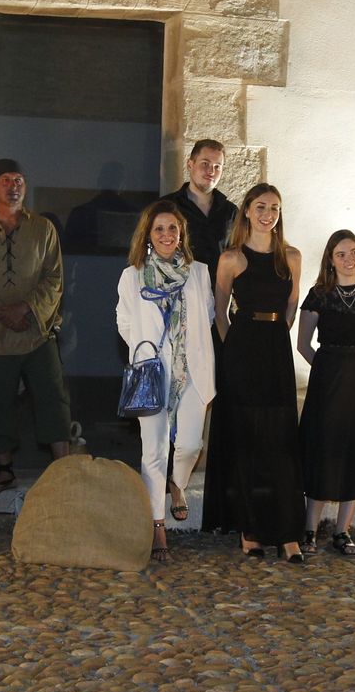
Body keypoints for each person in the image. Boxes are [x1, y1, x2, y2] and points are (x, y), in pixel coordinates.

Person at [200, 183, 307, 563]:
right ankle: (251, 529)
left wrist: (275, 335)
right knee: (246, 441)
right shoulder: (231, 258)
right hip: (242, 350)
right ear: (246, 210)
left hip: (276, 349)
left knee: (279, 440)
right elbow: (219, 311)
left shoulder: (291, 257)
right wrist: (235, 348)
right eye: (261, 206)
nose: (268, 213)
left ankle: (288, 532)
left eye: (275, 207)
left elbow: (292, 306)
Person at [0, 159, 71, 499]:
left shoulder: (43, 229)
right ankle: (4, 472)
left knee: (53, 397)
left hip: (37, 331)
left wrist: (27, 309)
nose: (14, 185)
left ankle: (64, 473)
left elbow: (55, 278)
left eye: (19, 179)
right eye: (6, 180)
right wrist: (2, 313)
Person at [115, 200, 215, 562]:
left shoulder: (199, 273)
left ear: (181, 233)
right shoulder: (133, 275)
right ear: (148, 235)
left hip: (192, 371)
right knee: (153, 451)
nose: (166, 235)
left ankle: (178, 483)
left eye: (173, 228)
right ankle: (157, 524)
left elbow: (208, 315)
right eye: (159, 229)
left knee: (188, 445)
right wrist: (147, 354)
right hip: (152, 373)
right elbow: (124, 320)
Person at [296, 230, 355, 556]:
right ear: (330, 259)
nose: (349, 259)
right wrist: (325, 367)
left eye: (354, 252)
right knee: (325, 451)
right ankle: (308, 530)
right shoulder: (319, 294)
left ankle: (342, 531)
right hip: (329, 383)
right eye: (341, 254)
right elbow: (303, 344)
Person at [162, 139, 238, 284]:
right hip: (176, 297)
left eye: (217, 166)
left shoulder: (231, 212)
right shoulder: (166, 207)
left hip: (219, 299)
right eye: (205, 164)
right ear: (190, 164)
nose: (211, 171)